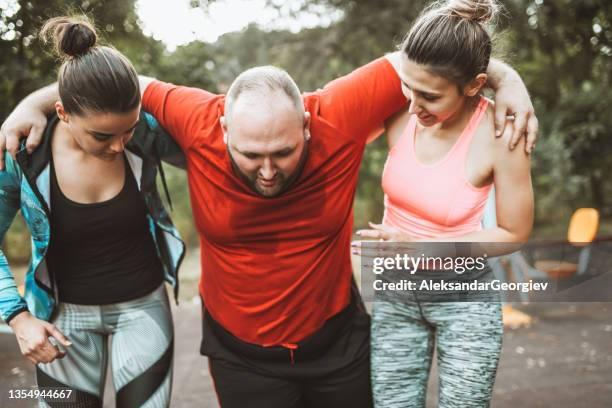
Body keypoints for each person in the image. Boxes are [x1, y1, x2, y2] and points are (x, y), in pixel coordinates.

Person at [0, 25, 537, 407]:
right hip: (241, 355)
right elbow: (117, 83)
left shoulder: (340, 113)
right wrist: (35, 102)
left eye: (282, 152)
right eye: (250, 155)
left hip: (339, 343)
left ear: (306, 124)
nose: (266, 171)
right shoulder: (195, 118)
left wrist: (506, 80)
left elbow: (438, 56)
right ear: (224, 129)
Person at [354, 1, 534, 407]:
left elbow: (514, 232)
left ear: (474, 85)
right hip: (396, 293)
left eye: (430, 96)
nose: (414, 106)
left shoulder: (502, 132)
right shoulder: (399, 108)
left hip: (464, 298)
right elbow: (333, 130)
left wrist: (422, 248)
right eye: (407, 86)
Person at [0, 16, 185, 407]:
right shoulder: (23, 155)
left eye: (128, 130)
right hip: (63, 319)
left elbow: (212, 152)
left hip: (143, 311)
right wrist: (18, 318)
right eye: (102, 135)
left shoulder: (147, 133)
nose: (120, 146)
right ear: (63, 113)